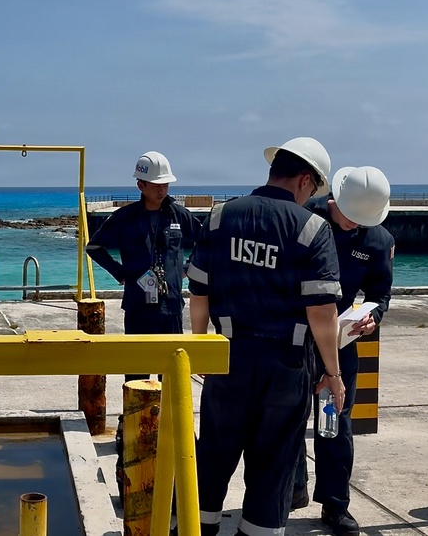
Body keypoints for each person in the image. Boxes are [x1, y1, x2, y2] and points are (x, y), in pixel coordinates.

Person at [186, 137, 347, 536]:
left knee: (213, 456)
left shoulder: (221, 217)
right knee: (273, 466)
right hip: (285, 367)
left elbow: (199, 294)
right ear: (305, 180)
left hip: (226, 359)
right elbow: (322, 314)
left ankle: (195, 528)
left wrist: (202, 347)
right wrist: (333, 373)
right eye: (313, 190)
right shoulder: (312, 229)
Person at [291, 166, 394, 536]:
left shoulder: (378, 240)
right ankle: (294, 487)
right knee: (287, 417)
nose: (355, 226)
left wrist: (374, 316)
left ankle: (335, 506)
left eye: (363, 222)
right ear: (335, 200)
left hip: (340, 343)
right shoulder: (304, 219)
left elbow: (381, 293)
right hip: (295, 335)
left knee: (335, 425)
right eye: (351, 218)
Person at [86, 151, 202, 381]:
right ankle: (134, 417)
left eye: (166, 184)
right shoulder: (124, 217)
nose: (162, 190)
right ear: (141, 185)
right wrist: (121, 274)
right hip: (138, 306)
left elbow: (206, 242)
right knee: (137, 370)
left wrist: (188, 268)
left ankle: (168, 418)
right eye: (157, 185)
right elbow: (94, 248)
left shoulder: (179, 215)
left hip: (171, 307)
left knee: (171, 371)